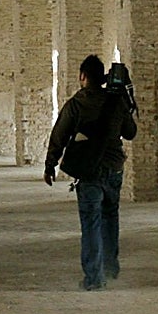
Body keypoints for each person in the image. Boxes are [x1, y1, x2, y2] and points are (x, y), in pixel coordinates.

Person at [44, 54, 137, 291]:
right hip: (114, 169)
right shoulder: (115, 101)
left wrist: (50, 165)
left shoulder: (77, 103)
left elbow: (60, 135)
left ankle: (95, 277)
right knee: (110, 218)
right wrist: (125, 100)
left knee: (91, 222)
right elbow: (130, 132)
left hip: (89, 172)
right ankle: (110, 267)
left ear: (83, 76)